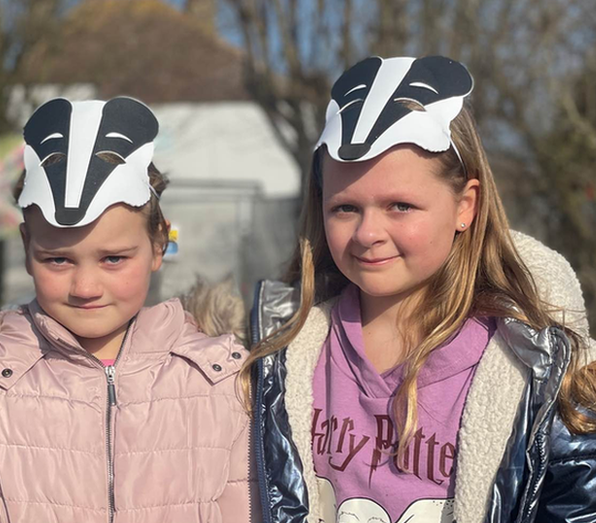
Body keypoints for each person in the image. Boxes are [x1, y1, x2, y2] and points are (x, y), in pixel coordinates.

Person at [248, 55, 596, 523]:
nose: (368, 233)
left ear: (465, 206)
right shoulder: (278, 355)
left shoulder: (548, 377)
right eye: (345, 208)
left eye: (400, 206)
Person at [0, 96, 256, 522]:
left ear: (159, 244)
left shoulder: (223, 374)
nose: (85, 287)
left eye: (113, 259)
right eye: (58, 260)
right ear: (27, 247)